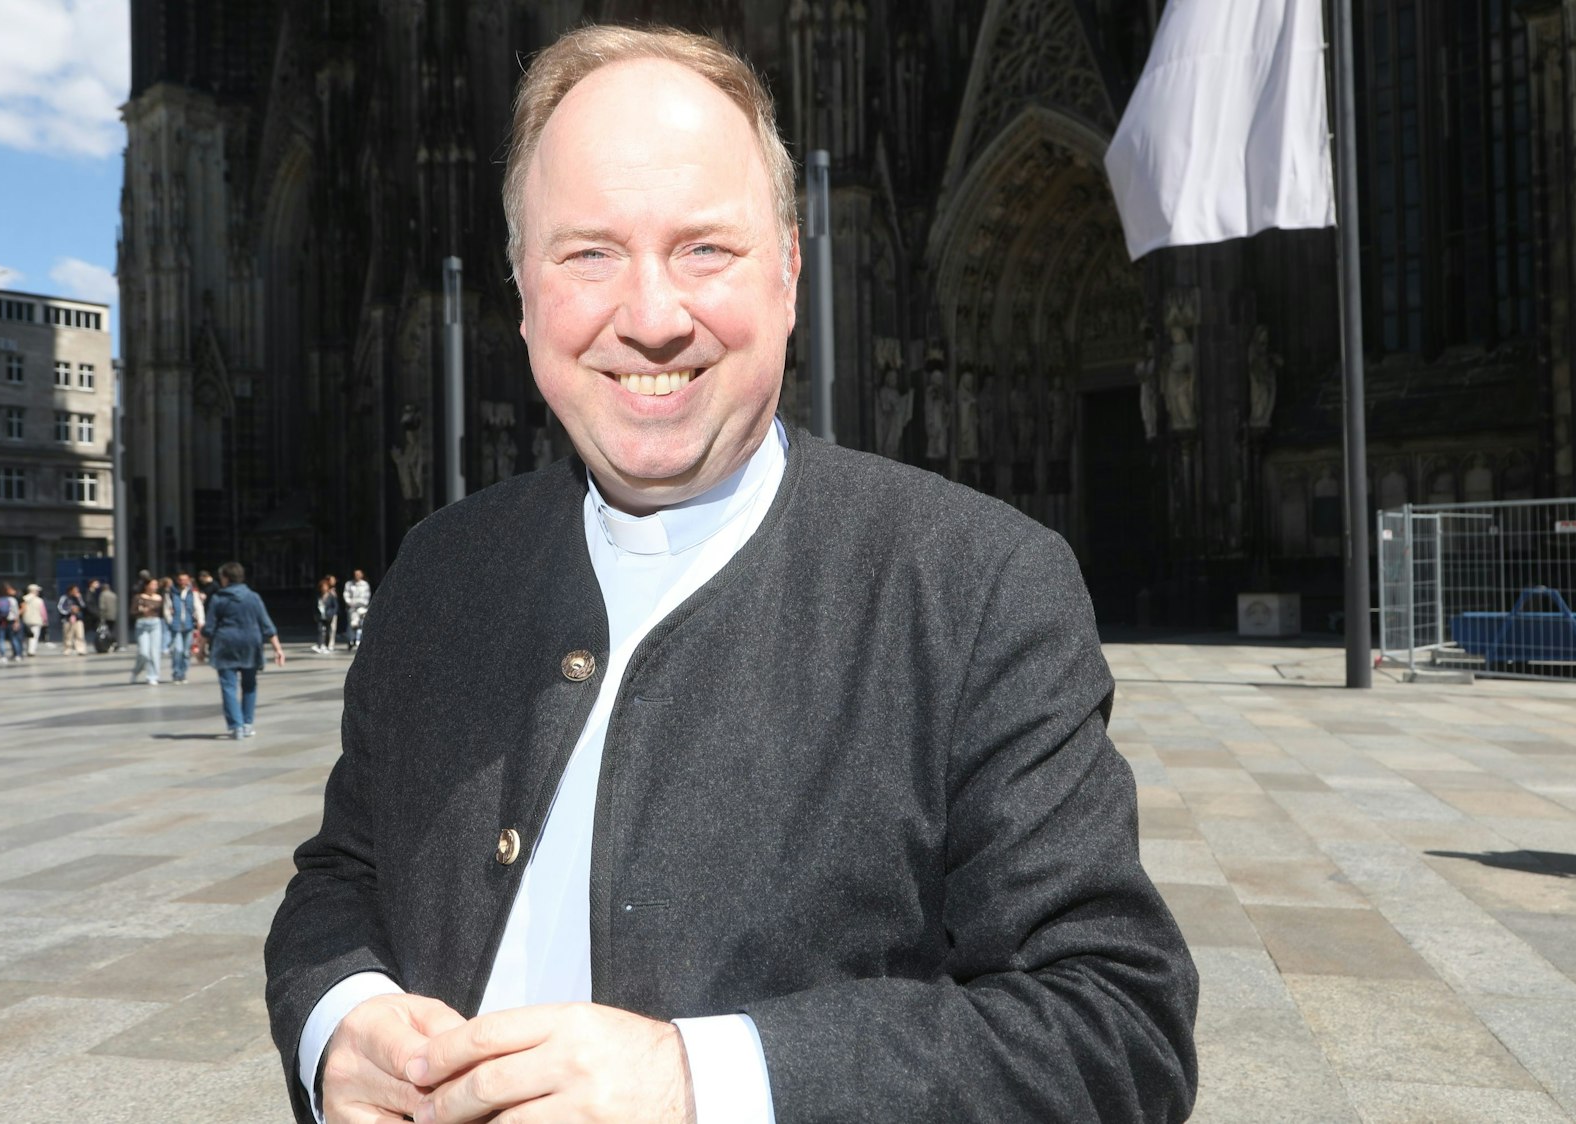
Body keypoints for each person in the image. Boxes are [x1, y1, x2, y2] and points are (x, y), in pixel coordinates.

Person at [264, 28, 1197, 1124]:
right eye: (588, 254)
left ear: (792, 275)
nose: (652, 318)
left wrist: (700, 1083)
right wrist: (342, 1020)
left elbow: (1114, 1031)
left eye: (706, 249)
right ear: (520, 297)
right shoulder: (439, 570)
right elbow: (340, 877)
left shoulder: (975, 586)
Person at [201, 561, 283, 739]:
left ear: (226, 578)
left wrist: (200, 648)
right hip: (250, 644)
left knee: (228, 686)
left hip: (225, 644)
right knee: (249, 685)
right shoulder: (253, 597)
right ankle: (247, 723)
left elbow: (209, 627)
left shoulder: (218, 598)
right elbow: (266, 624)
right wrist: (277, 648)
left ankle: (236, 726)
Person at [166, 572, 205, 684]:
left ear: (188, 580)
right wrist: (170, 620)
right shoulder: (171, 592)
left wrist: (200, 621)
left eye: (185, 579)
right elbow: (167, 607)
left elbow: (198, 607)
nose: (183, 582)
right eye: (181, 579)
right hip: (176, 625)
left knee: (186, 652)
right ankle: (176, 673)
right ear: (178, 581)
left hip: (188, 624)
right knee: (177, 650)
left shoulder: (192, 593)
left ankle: (183, 673)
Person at [130, 578, 167, 685]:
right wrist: (141, 611)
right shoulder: (138, 597)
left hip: (155, 624)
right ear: (146, 586)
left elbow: (163, 612)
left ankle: (152, 676)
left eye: (156, 584)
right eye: (153, 584)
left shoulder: (159, 598)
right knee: (143, 652)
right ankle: (136, 671)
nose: (155, 586)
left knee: (154, 652)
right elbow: (132, 612)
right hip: (142, 624)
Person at [0, 583, 24, 663]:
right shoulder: (12, 600)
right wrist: (17, 622)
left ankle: (3, 656)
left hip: (0, 622)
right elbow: (16, 612)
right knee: (13, 638)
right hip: (11, 621)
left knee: (0, 639)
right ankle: (17, 655)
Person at [341, 568, 371, 651]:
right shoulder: (349, 584)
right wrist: (350, 603)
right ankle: (351, 640)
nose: (357, 576)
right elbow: (346, 595)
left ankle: (358, 641)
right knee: (351, 625)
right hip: (351, 608)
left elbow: (366, 597)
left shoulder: (365, 585)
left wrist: (360, 604)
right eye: (355, 574)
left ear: (362, 575)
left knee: (361, 625)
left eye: (358, 574)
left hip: (361, 608)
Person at [21, 583, 49, 657]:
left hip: (26, 620)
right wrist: (45, 620)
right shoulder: (39, 600)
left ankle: (27, 649)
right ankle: (31, 650)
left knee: (27, 636)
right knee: (34, 636)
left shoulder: (24, 598)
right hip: (36, 620)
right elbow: (43, 612)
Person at [59, 585, 87, 655]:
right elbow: (60, 608)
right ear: (70, 591)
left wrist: (79, 598)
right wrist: (70, 610)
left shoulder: (79, 598)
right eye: (75, 590)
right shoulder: (64, 597)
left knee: (80, 635)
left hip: (78, 619)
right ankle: (67, 649)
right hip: (68, 620)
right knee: (68, 635)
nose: (76, 592)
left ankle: (80, 650)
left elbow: (83, 606)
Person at [312, 575, 335, 655]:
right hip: (320, 616)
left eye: (325, 586)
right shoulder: (318, 596)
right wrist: (315, 615)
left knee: (328, 631)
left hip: (328, 616)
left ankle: (326, 645)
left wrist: (332, 613)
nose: (324, 588)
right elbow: (314, 606)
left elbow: (335, 606)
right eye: (322, 587)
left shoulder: (331, 596)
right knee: (320, 630)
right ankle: (320, 645)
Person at [96, 580, 121, 652]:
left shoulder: (103, 595)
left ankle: (111, 643)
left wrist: (101, 617)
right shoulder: (113, 595)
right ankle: (114, 643)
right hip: (113, 615)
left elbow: (102, 607)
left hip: (106, 616)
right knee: (111, 630)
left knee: (106, 631)